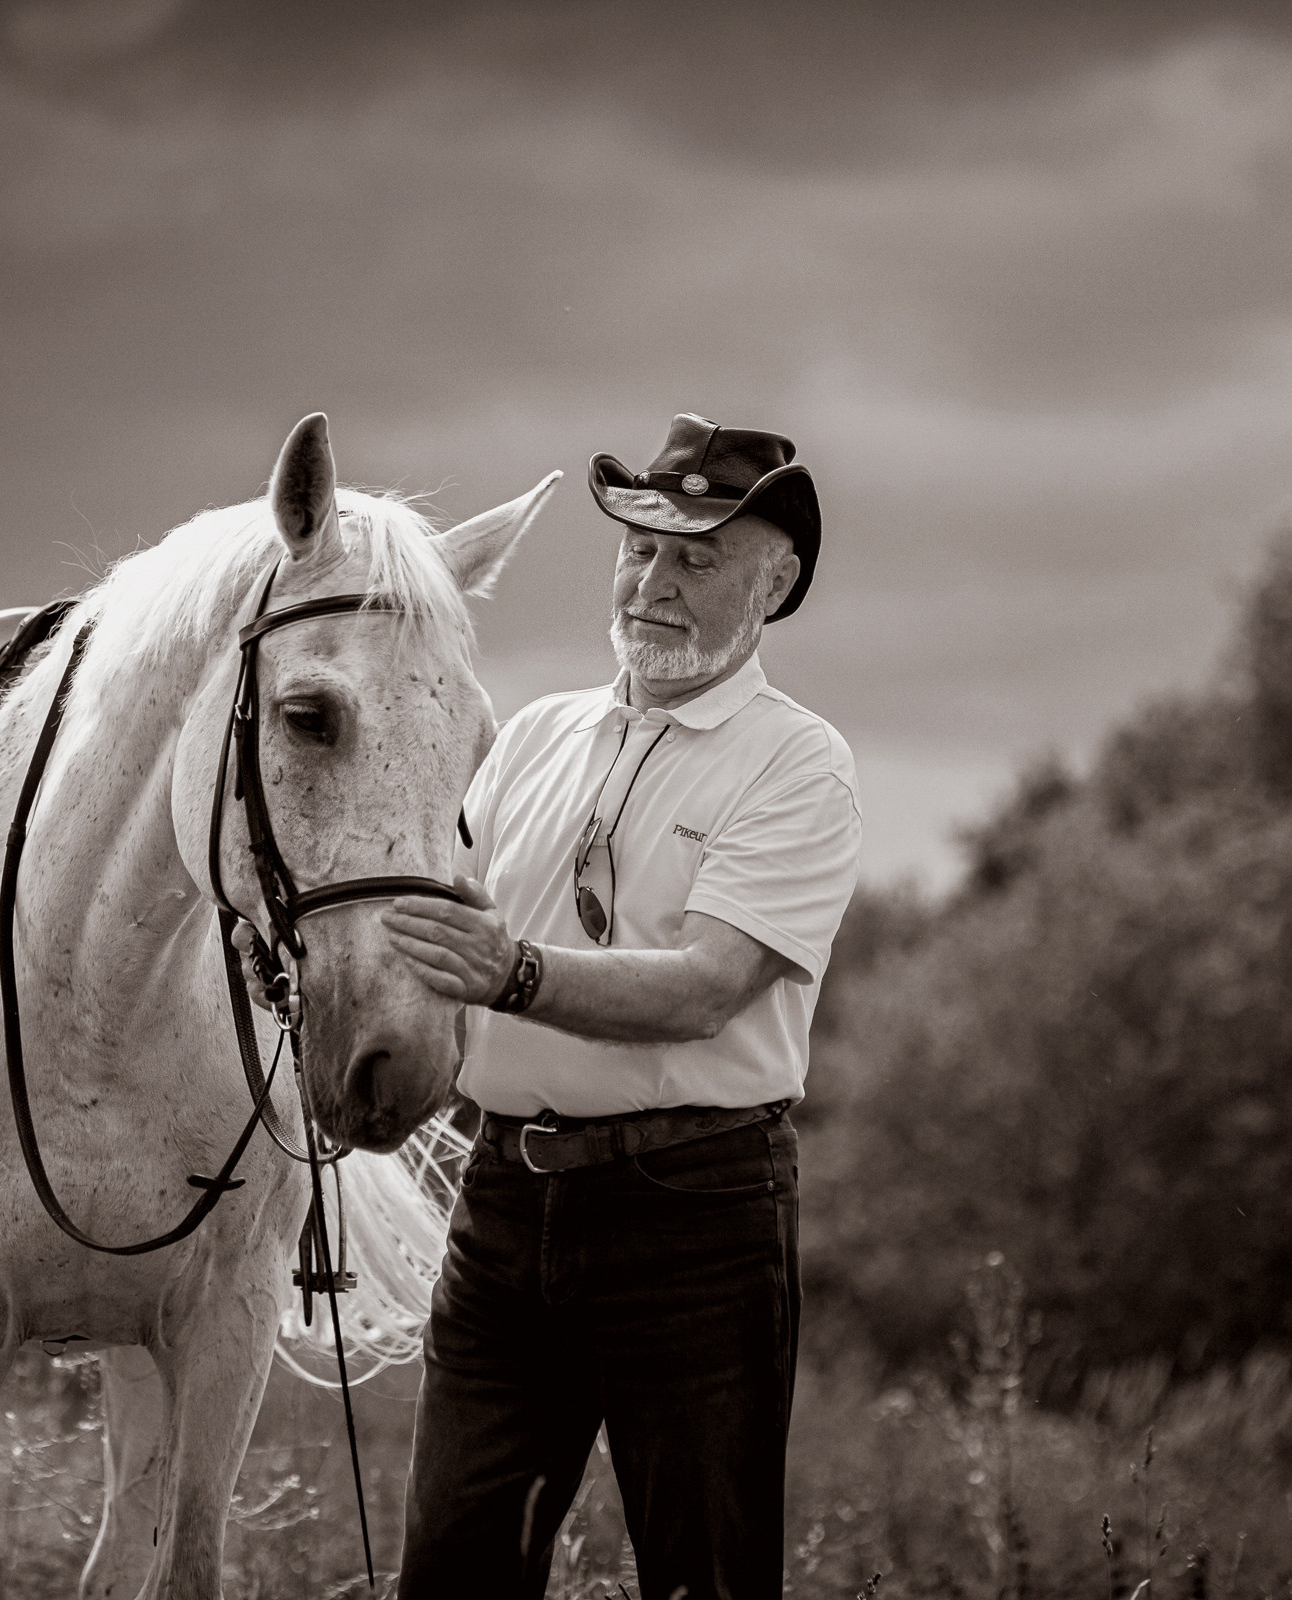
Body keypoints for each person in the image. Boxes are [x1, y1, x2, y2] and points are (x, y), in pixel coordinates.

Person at [384, 414, 863, 1599]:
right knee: (452, 1576)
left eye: (696, 559)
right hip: (501, 1209)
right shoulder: (533, 734)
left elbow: (708, 987)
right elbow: (433, 947)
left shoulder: (798, 761)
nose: (653, 581)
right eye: (639, 549)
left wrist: (514, 973)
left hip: (692, 1218)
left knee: (705, 1579)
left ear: (777, 580)